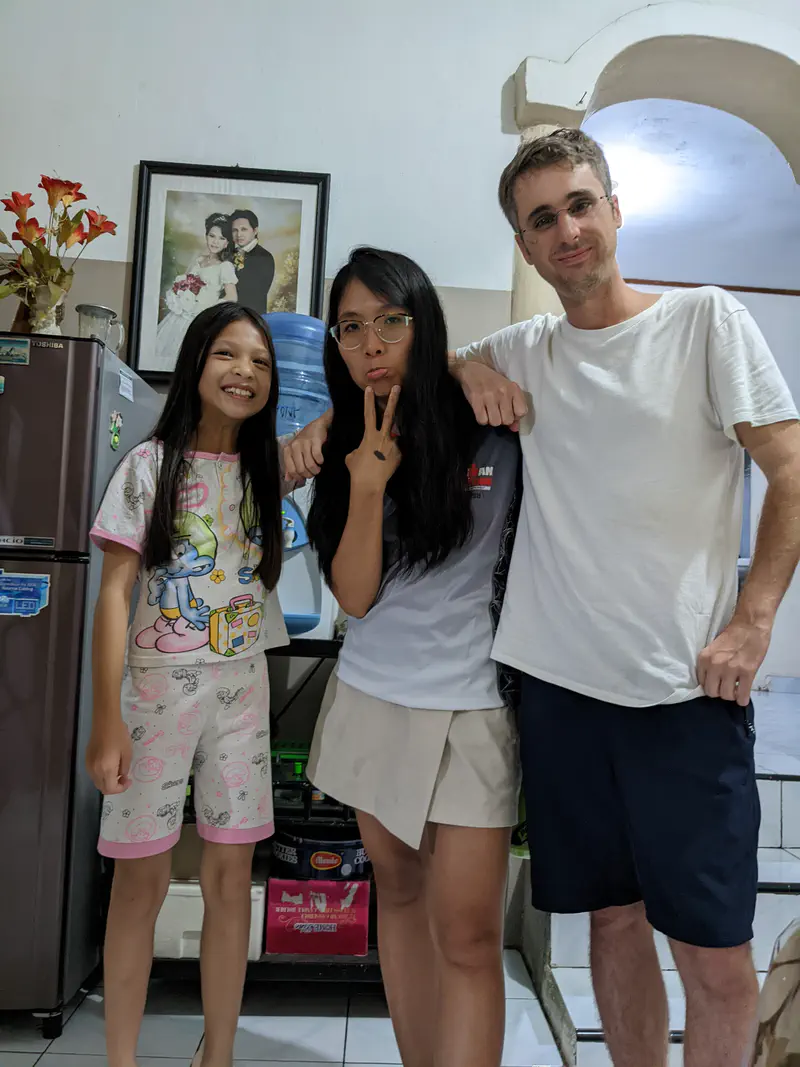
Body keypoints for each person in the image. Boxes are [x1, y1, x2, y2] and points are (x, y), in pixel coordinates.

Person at [288, 131, 800, 1067]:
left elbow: (791, 467)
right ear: (523, 248)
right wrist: (329, 419)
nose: (566, 229)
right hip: (558, 696)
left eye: (580, 205)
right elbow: (406, 356)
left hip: (684, 694)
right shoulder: (519, 352)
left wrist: (754, 618)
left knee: (715, 958)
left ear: (614, 210)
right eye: (541, 219)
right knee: (611, 927)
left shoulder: (705, 322)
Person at [301, 247, 521, 1067]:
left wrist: (465, 367)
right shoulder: (337, 444)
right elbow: (352, 598)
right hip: (371, 698)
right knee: (396, 896)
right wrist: (362, 486)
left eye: (391, 321)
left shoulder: (491, 418)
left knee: (468, 931)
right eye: (353, 326)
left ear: (422, 324)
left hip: (470, 705)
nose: (372, 343)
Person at [86, 303, 292, 1067]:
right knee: (138, 879)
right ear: (196, 363)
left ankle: (221, 1054)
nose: (245, 373)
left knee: (231, 876)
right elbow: (114, 595)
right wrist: (106, 717)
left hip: (241, 697)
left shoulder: (264, 474)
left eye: (261, 363)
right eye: (229, 356)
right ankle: (120, 1058)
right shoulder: (148, 466)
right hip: (154, 697)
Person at [154, 213, 238, 372]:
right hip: (181, 314)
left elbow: (232, 297)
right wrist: (179, 294)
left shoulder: (225, 266)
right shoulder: (199, 260)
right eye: (212, 236)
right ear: (206, 236)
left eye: (221, 238)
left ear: (227, 242)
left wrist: (207, 308)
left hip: (200, 316)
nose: (215, 241)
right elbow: (186, 282)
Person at [231, 209, 275, 315]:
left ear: (255, 231)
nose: (239, 234)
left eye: (244, 229)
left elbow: (255, 294)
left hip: (251, 317)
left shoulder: (264, 257)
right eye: (235, 230)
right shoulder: (229, 254)